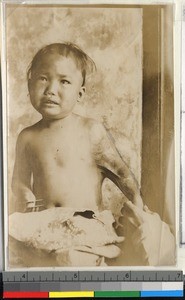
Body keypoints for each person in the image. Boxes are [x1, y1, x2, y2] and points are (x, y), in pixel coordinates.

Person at [9, 43, 174, 267]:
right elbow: (18, 180)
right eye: (43, 78)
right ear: (29, 84)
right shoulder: (27, 137)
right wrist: (25, 195)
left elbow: (121, 172)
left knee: (71, 259)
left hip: (82, 223)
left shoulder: (90, 130)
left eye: (64, 81)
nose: (51, 89)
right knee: (15, 247)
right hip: (45, 224)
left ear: (80, 93)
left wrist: (137, 206)